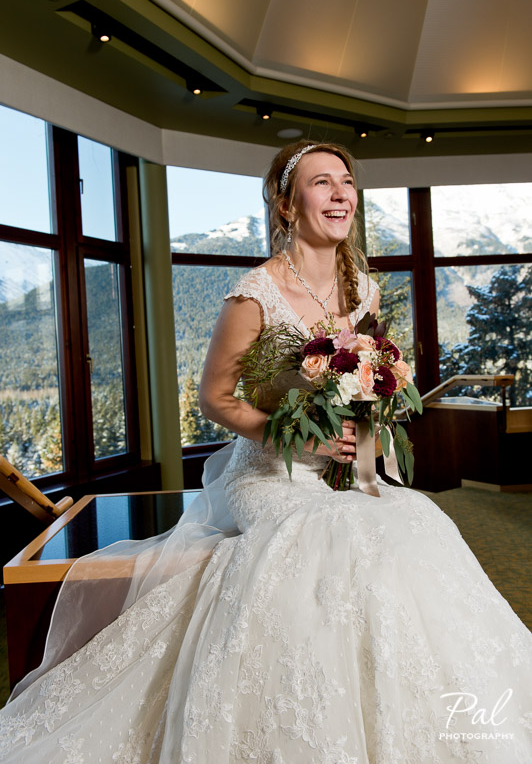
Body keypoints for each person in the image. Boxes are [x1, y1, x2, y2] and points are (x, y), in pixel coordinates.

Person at [1, 141, 531, 763]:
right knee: (337, 543)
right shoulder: (254, 294)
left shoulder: (362, 290)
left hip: (340, 468)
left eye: (347, 182)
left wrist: (363, 452)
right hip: (268, 473)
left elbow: (362, 388)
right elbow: (215, 399)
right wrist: (293, 436)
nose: (341, 194)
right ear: (285, 204)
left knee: (415, 524)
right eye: (321, 183)